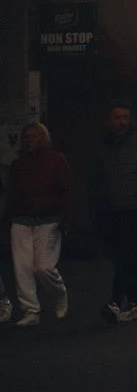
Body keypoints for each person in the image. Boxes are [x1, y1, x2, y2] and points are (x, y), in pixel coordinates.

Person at [94, 104, 137, 324]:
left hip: (135, 209)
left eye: (125, 117)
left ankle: (115, 300)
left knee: (126, 256)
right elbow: (97, 179)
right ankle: (133, 302)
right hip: (111, 210)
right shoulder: (102, 146)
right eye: (117, 117)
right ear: (108, 120)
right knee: (122, 259)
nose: (122, 122)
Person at [5, 123, 74, 326]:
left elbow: (67, 189)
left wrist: (67, 217)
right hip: (22, 219)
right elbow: (12, 196)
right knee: (22, 267)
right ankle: (31, 310)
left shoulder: (55, 160)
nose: (29, 140)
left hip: (48, 218)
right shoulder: (18, 165)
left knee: (44, 266)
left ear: (43, 138)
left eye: (34, 136)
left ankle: (59, 294)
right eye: (27, 137)